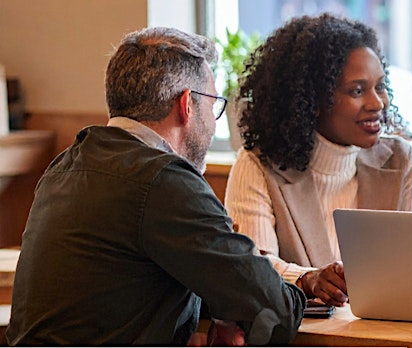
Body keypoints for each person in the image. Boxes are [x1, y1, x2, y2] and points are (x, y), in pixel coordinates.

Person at [6, 27, 305, 346]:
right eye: (214, 104)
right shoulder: (164, 180)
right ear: (187, 104)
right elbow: (276, 311)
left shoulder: (67, 165)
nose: (215, 120)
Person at [225, 13, 412, 307]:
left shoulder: (399, 162)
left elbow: (409, 267)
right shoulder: (258, 165)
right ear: (311, 100)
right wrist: (307, 279)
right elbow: (251, 267)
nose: (378, 103)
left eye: (379, 86)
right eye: (357, 90)